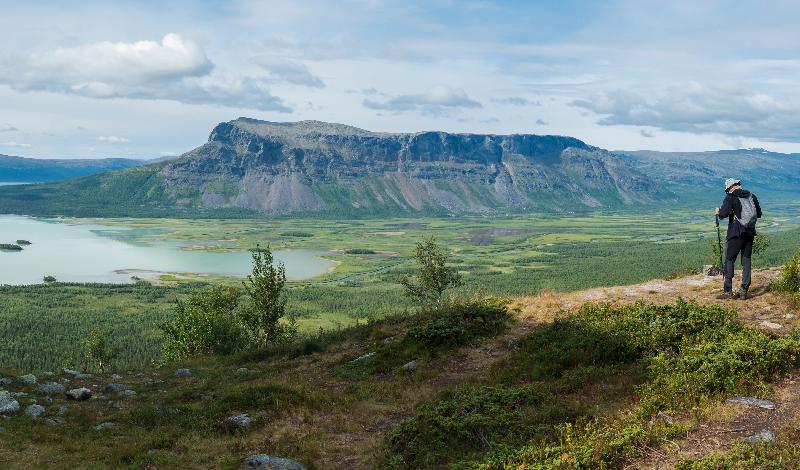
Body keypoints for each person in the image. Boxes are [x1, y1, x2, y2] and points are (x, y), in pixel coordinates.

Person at [715, 178, 761, 300]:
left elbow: (722, 215)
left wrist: (718, 212)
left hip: (736, 233)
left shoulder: (731, 197)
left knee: (729, 259)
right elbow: (759, 214)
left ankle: (728, 291)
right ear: (738, 185)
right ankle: (744, 290)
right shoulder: (751, 195)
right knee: (746, 260)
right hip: (750, 232)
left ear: (730, 188)